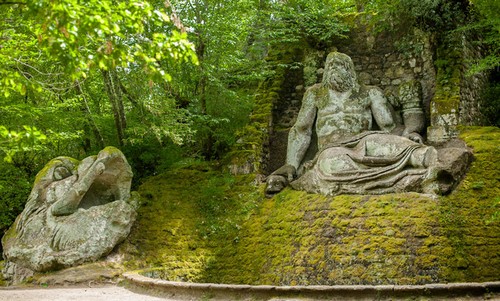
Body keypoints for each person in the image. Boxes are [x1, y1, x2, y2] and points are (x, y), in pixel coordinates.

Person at [265, 52, 439, 196]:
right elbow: (301, 130)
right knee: (331, 164)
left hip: (365, 139)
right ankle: (399, 178)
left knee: (395, 146)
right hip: (333, 148)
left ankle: (430, 164)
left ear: (350, 70)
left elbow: (389, 127)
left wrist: (408, 136)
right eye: (330, 65)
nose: (333, 68)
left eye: (339, 64)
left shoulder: (369, 93)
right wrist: (291, 164)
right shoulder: (315, 94)